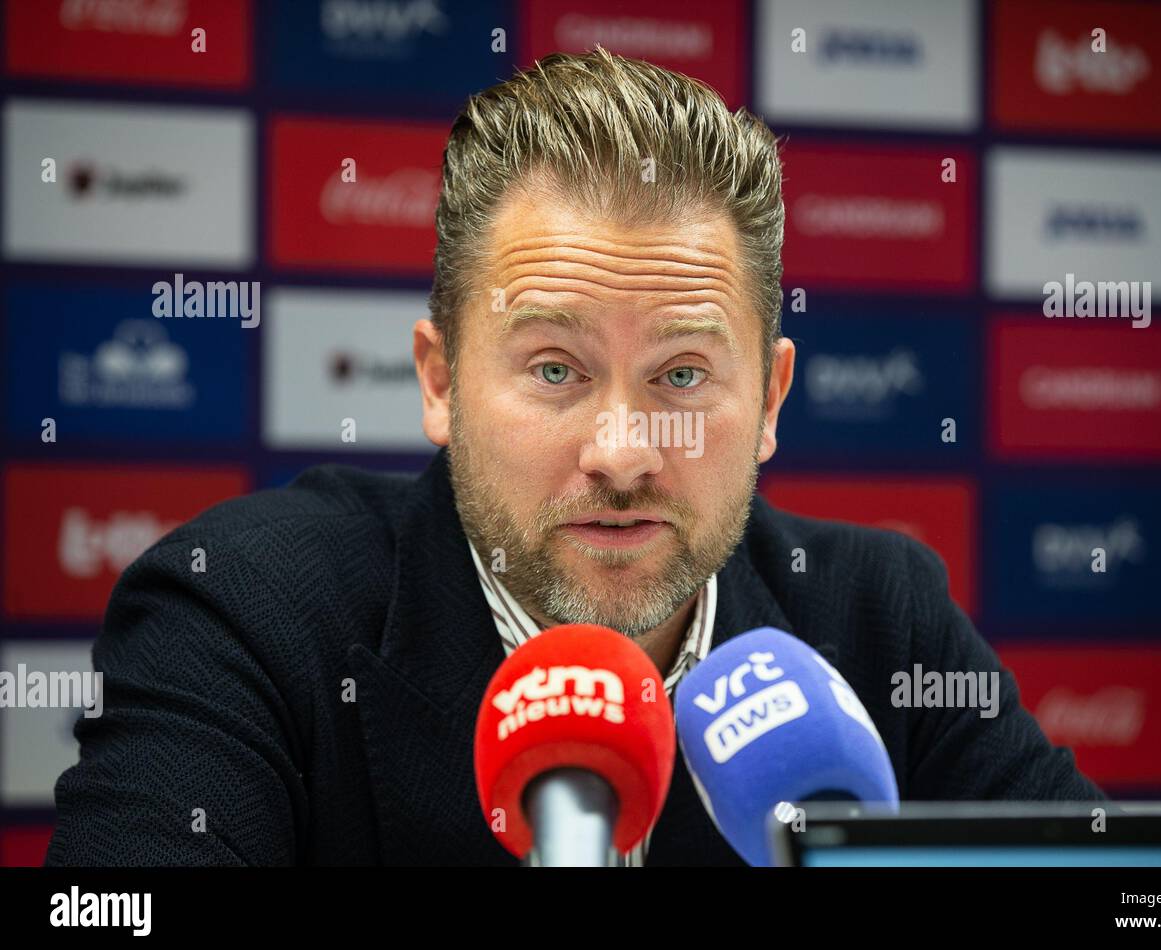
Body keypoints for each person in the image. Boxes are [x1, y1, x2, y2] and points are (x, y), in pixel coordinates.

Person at [46, 47, 1104, 867]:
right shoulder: (248, 609)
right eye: (555, 370)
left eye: (683, 375)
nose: (622, 452)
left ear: (772, 398)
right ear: (440, 381)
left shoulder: (880, 618)